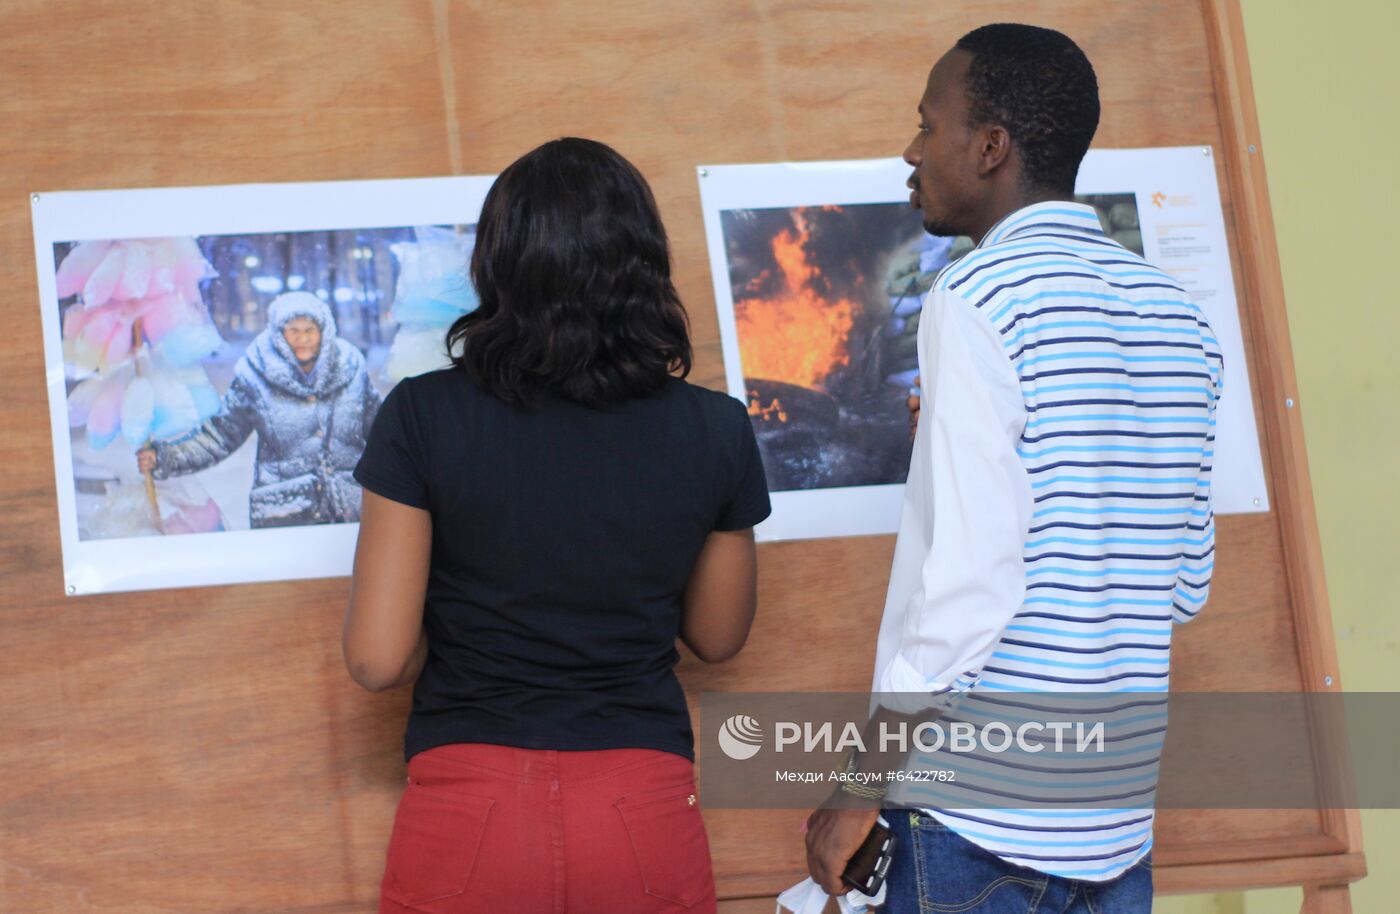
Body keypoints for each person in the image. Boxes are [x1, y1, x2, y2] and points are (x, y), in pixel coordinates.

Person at [801, 23, 1221, 914]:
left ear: (990, 148)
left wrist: (859, 784)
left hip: (977, 819)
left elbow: (967, 587)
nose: (911, 152)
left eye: (927, 125)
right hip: (1114, 827)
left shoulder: (979, 296)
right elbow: (1184, 585)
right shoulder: (1179, 318)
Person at [342, 137, 770, 914]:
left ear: (498, 263)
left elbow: (377, 659)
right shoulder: (717, 429)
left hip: (467, 810)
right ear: (644, 263)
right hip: (641, 809)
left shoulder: (422, 415)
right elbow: (717, 636)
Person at [136, 290, 381, 527]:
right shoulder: (255, 375)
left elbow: (382, 431)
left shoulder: (351, 368)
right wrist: (166, 457)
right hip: (286, 514)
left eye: (310, 330)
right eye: (293, 330)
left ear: (324, 331)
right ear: (278, 333)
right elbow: (220, 435)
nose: (303, 338)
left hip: (353, 515)